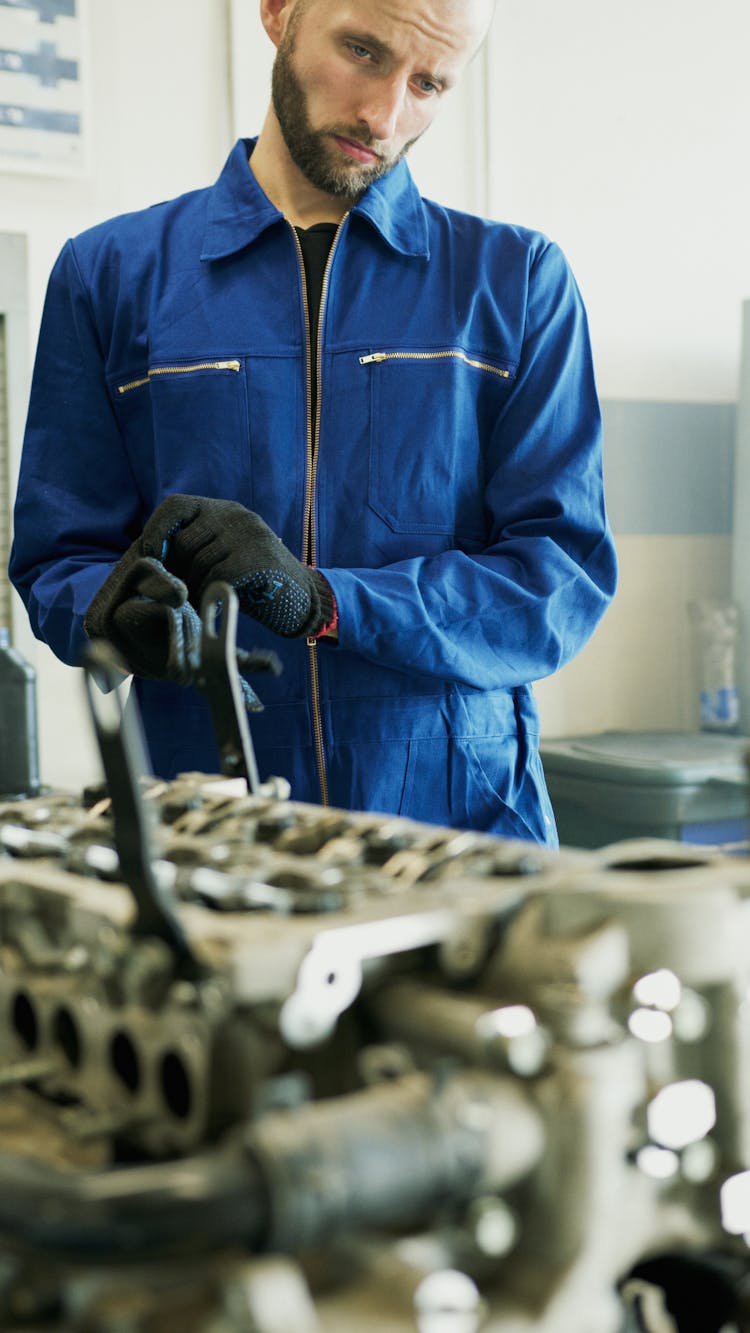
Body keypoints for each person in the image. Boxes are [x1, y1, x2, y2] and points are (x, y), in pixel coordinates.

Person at [9, 0, 617, 845]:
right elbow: (57, 556)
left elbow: (558, 581)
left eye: (428, 83)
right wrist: (110, 614)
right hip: (212, 830)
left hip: (463, 829)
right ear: (279, 13)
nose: (385, 115)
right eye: (363, 51)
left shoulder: (516, 283)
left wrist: (325, 599)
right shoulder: (110, 274)